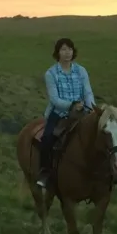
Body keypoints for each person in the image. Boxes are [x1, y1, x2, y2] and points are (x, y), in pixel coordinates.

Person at [36, 37, 96, 188]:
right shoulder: (51, 73)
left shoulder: (81, 71)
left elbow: (88, 92)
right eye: (63, 49)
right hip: (59, 113)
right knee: (47, 138)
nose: (67, 52)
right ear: (58, 53)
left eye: (69, 49)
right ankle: (45, 172)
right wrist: (71, 106)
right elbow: (54, 99)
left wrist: (92, 109)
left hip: (82, 112)